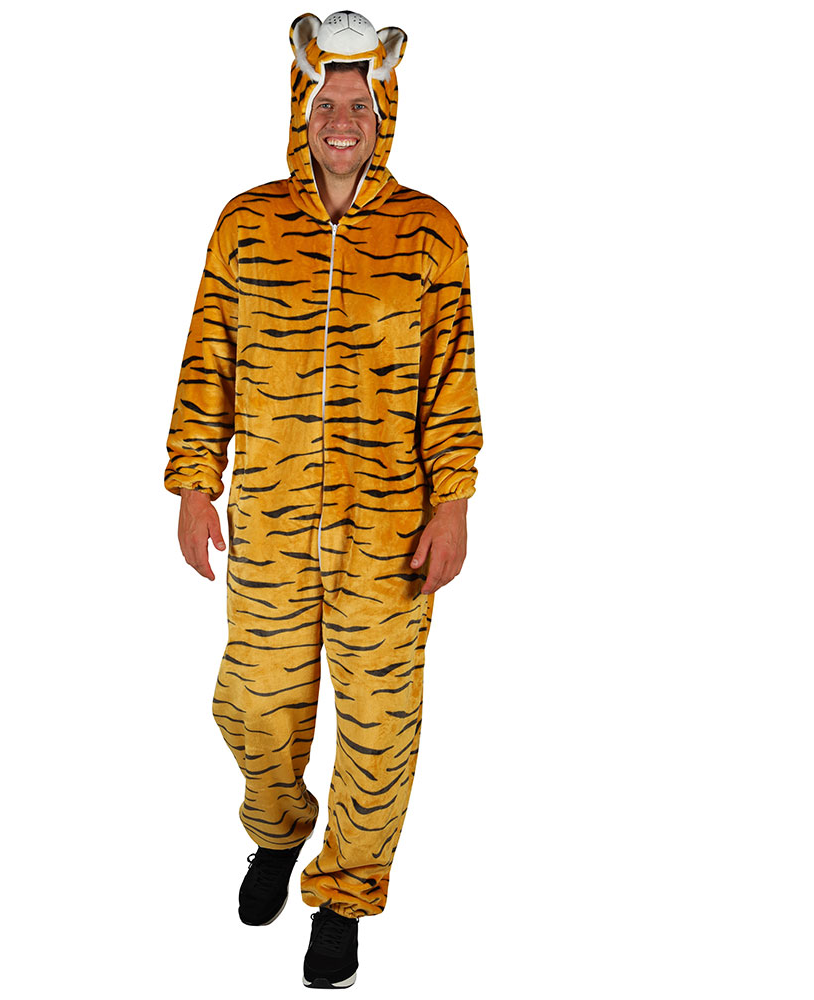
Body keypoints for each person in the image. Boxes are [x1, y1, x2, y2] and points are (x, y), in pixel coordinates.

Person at [163, 10, 482, 989]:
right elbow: (207, 357)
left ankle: (344, 893)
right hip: (268, 521)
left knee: (381, 727)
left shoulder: (430, 233)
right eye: (327, 103)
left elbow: (452, 381)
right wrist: (193, 480)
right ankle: (277, 828)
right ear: (299, 109)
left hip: (388, 528)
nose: (342, 120)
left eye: (360, 105)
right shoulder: (246, 224)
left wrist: (454, 502)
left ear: (386, 114)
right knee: (254, 704)